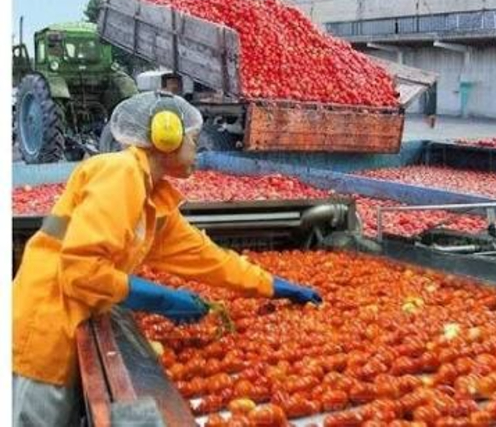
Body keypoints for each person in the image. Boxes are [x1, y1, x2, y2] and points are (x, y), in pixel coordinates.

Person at [12, 91, 322, 427]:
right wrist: (161, 299)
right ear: (166, 136)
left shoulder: (153, 198)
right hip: (44, 329)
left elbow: (208, 258)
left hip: (75, 321)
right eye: (194, 140)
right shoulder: (121, 173)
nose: (198, 150)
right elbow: (81, 272)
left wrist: (272, 286)